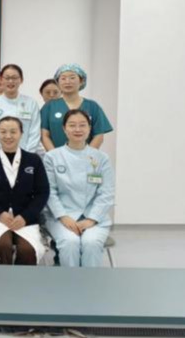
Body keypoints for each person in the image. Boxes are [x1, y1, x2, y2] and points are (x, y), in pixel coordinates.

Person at [0, 117, 49, 265]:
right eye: (3, 132)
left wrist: (25, 216)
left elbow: (42, 192)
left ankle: (22, 280)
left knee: (27, 250)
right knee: (3, 245)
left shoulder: (33, 160)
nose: (8, 136)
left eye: (13, 132)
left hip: (25, 219)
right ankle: (3, 278)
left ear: (21, 134)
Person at [43, 110, 115, 268]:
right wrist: (63, 217)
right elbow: (50, 192)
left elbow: (106, 193)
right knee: (69, 242)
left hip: (94, 217)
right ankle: (70, 282)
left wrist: (92, 219)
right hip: (61, 216)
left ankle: (90, 282)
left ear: (89, 129)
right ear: (64, 129)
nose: (77, 129)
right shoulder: (52, 157)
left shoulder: (101, 158)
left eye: (82, 125)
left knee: (91, 242)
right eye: (72, 125)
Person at [41, 64, 113, 151]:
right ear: (58, 82)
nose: (67, 82)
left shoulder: (93, 106)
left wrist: (87, 156)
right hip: (56, 157)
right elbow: (44, 135)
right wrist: (55, 156)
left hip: (86, 157)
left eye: (72, 78)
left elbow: (99, 135)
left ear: (81, 81)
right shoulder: (49, 107)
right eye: (63, 78)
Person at [0, 64, 41, 153]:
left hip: (26, 153)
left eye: (14, 78)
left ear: (21, 80)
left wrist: (27, 155)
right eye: (7, 78)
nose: (10, 81)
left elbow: (35, 132)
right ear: (1, 80)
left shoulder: (31, 103)